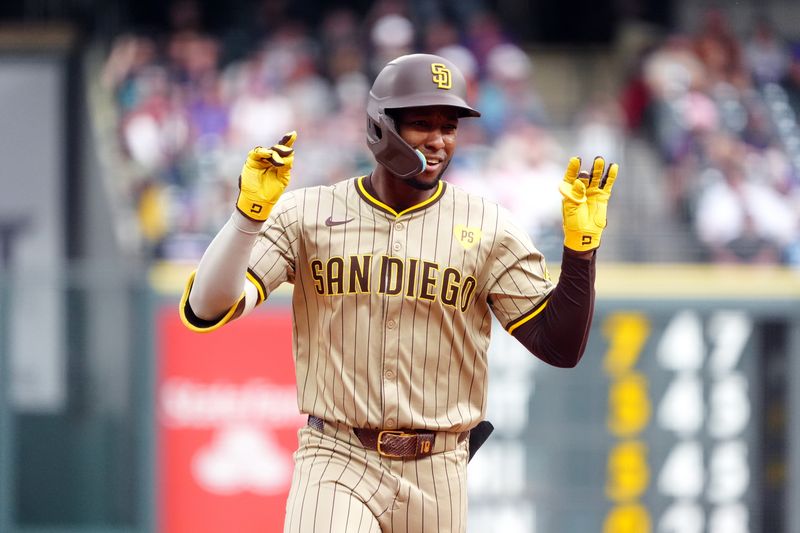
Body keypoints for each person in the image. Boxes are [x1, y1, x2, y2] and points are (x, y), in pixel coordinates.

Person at [179, 53, 619, 533]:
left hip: (439, 471)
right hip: (337, 455)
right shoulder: (308, 214)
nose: (438, 140)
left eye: (449, 125)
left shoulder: (489, 226)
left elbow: (559, 347)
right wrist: (249, 216)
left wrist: (580, 253)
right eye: (421, 123)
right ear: (380, 127)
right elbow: (207, 307)